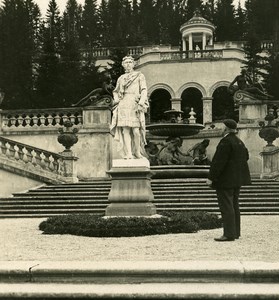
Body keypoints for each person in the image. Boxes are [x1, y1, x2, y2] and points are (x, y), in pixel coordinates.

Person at [206, 119, 251, 242]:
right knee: (234, 205)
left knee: (226, 206)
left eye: (222, 127)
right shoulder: (239, 141)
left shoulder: (225, 142)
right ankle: (235, 232)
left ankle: (229, 234)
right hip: (237, 179)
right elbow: (246, 157)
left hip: (225, 180)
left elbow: (218, 162)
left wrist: (211, 178)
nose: (220, 129)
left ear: (226, 128)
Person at [110, 56, 149, 159]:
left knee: (136, 131)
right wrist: (116, 99)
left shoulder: (139, 76)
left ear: (133, 64)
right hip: (123, 104)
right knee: (125, 130)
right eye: (126, 62)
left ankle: (137, 151)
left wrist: (141, 102)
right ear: (123, 65)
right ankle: (128, 154)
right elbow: (115, 91)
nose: (128, 64)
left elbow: (144, 90)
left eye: (129, 62)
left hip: (134, 104)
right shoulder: (121, 78)